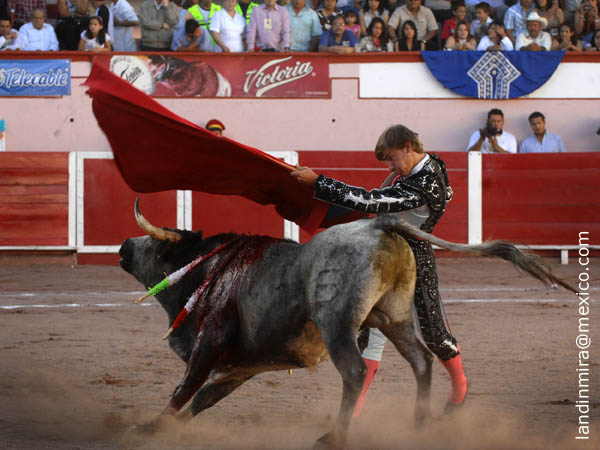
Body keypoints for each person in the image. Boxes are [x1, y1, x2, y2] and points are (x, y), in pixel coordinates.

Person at [291, 124, 468, 415]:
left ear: (408, 147)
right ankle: (353, 416)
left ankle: (460, 387)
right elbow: (446, 193)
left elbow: (370, 201)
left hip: (415, 260)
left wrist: (320, 183)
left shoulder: (426, 183)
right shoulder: (425, 165)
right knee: (371, 332)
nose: (390, 166)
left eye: (391, 158)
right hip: (382, 257)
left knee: (435, 336)